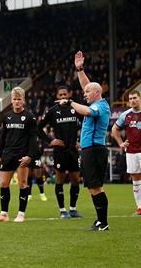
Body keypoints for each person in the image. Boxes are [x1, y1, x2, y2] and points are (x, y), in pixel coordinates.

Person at [56, 51, 110, 231]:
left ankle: (103, 223)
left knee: (96, 186)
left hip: (94, 149)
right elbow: (88, 86)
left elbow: (86, 111)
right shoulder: (96, 100)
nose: (84, 93)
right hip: (89, 149)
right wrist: (79, 69)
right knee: (92, 186)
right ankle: (100, 221)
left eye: (87, 92)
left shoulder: (99, 106)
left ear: (96, 93)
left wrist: (69, 102)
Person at [0, 87, 37, 223]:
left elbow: (34, 139)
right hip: (7, 154)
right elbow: (2, 138)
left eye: (19, 99)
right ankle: (4, 214)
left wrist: (30, 156)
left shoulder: (29, 117)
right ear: (11, 101)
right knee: (4, 183)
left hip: (22, 155)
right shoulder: (7, 117)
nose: (16, 101)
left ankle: (21, 214)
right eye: (14, 99)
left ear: (23, 101)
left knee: (22, 184)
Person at [38, 85, 83, 219]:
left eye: (65, 94)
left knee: (75, 179)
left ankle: (73, 209)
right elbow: (39, 129)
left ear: (69, 94)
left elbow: (86, 124)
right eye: (61, 95)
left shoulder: (76, 109)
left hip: (73, 150)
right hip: (60, 151)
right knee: (60, 179)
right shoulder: (52, 111)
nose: (63, 97)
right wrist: (50, 141)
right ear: (57, 97)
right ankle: (63, 210)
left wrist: (80, 140)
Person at [111, 89, 141, 216]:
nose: (132, 101)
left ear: (140, 98)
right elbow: (114, 129)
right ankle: (139, 207)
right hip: (131, 151)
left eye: (135, 98)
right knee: (135, 178)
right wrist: (120, 143)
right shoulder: (126, 115)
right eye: (130, 99)